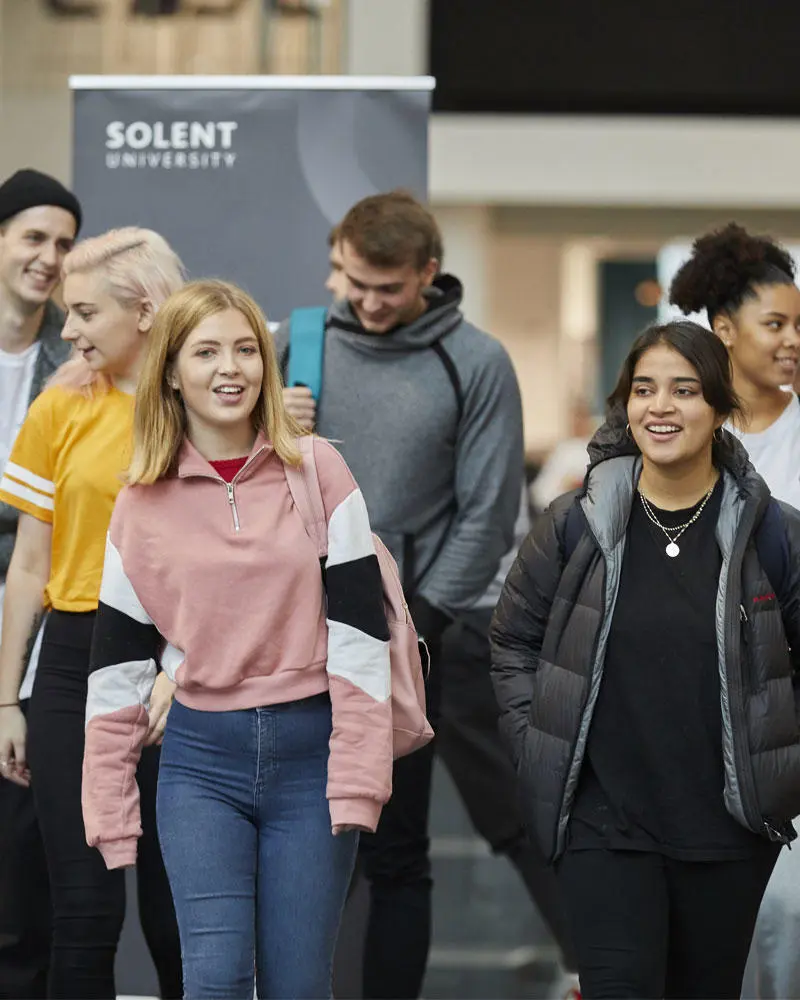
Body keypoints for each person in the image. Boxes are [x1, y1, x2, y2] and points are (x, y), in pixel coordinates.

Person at [80, 279, 393, 1000]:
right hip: (199, 766)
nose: (232, 368)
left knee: (296, 986)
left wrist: (358, 775)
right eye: (208, 351)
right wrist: (110, 808)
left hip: (311, 759)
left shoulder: (319, 470)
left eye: (247, 349)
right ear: (170, 372)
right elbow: (118, 669)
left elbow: (359, 638)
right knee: (215, 980)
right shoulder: (140, 501)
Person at [491, 320, 800, 999]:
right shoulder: (576, 524)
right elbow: (512, 641)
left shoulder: (773, 534)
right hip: (604, 826)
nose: (660, 407)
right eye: (644, 389)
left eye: (685, 390)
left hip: (728, 832)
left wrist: (782, 769)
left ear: (720, 408)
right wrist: (535, 741)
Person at [274, 191, 524, 999]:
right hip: (282, 632)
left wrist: (411, 630)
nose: (370, 303)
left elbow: (486, 516)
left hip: (404, 641)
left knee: (392, 851)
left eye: (389, 287)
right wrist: (269, 422)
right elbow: (220, 476)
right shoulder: (293, 345)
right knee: (286, 843)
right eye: (355, 282)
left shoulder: (477, 361)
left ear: (429, 273)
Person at [0, 227, 185, 999]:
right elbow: (30, 566)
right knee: (80, 908)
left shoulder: (204, 401)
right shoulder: (59, 405)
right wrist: (6, 696)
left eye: (82, 313)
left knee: (179, 911)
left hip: (187, 658)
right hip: (74, 657)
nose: (66, 329)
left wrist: (185, 667)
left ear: (143, 311)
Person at [669, 224, 800, 1000]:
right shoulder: (683, 431)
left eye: (799, 327)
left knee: (782, 921)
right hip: (688, 713)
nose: (792, 342)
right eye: (775, 325)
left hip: (784, 714)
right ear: (724, 331)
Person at [0, 168, 81, 999]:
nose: (50, 257)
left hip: (34, 640)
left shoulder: (79, 367)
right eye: (33, 237)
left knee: (25, 879)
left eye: (63, 243)